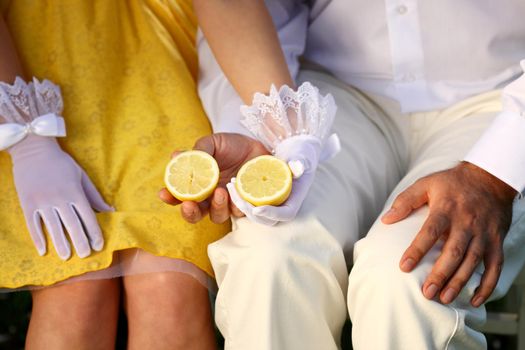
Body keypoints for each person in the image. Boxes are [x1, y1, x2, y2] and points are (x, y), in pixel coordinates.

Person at [159, 1, 525, 349]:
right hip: (332, 93)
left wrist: (494, 171)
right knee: (269, 260)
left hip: (499, 95)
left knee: (409, 283)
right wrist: (278, 127)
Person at [0, 1, 228, 349]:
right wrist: (26, 138)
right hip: (28, 61)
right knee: (75, 290)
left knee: (168, 287)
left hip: (158, 51)